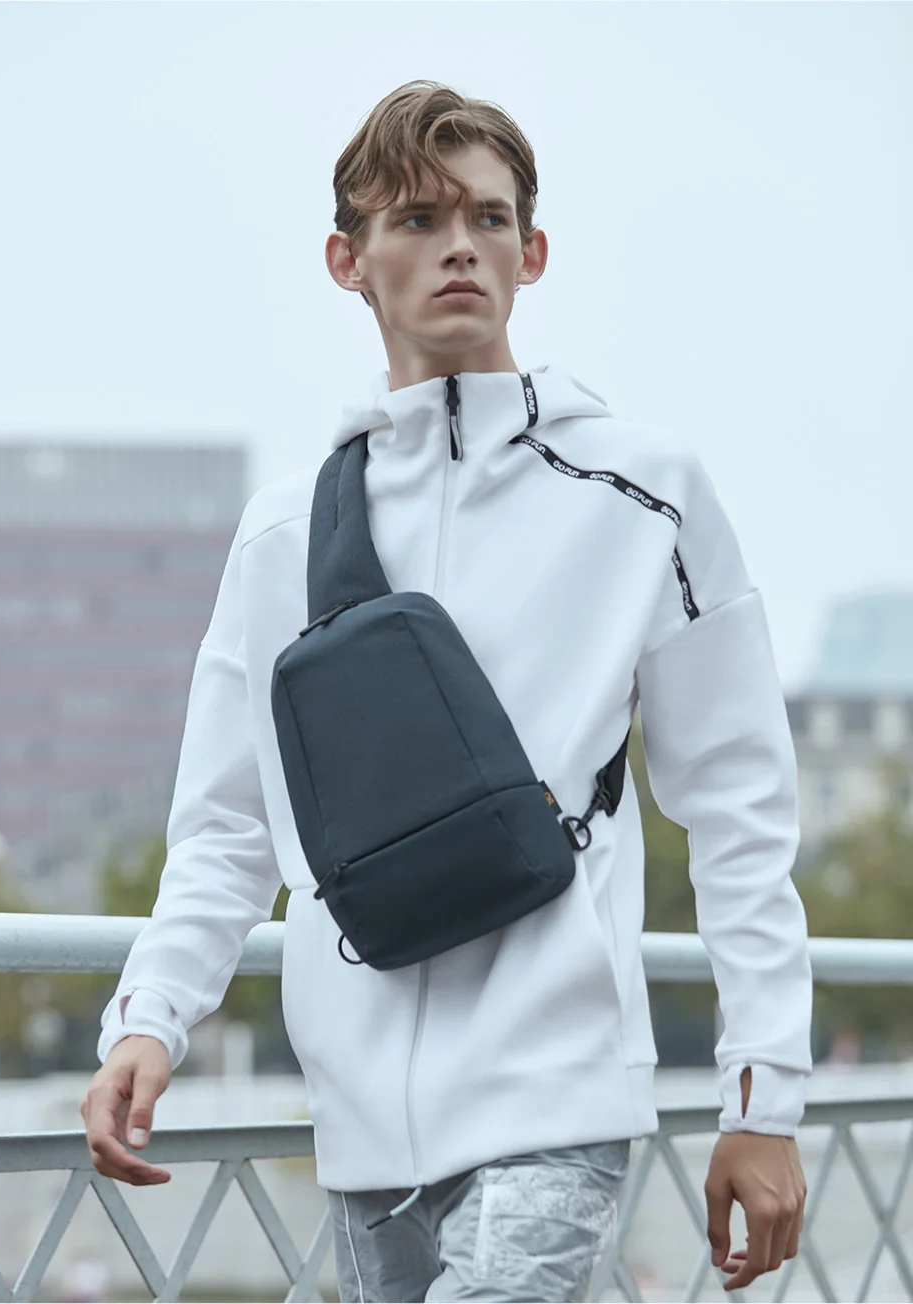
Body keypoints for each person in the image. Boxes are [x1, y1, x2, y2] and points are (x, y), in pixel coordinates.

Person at [80, 80, 812, 1302]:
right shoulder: (284, 537)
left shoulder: (642, 495)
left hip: (558, 1085)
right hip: (359, 1115)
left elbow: (739, 808)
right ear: (347, 260)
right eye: (416, 218)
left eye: (487, 216)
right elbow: (229, 827)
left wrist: (764, 1096)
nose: (458, 244)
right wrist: (146, 1019)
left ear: (533, 251)